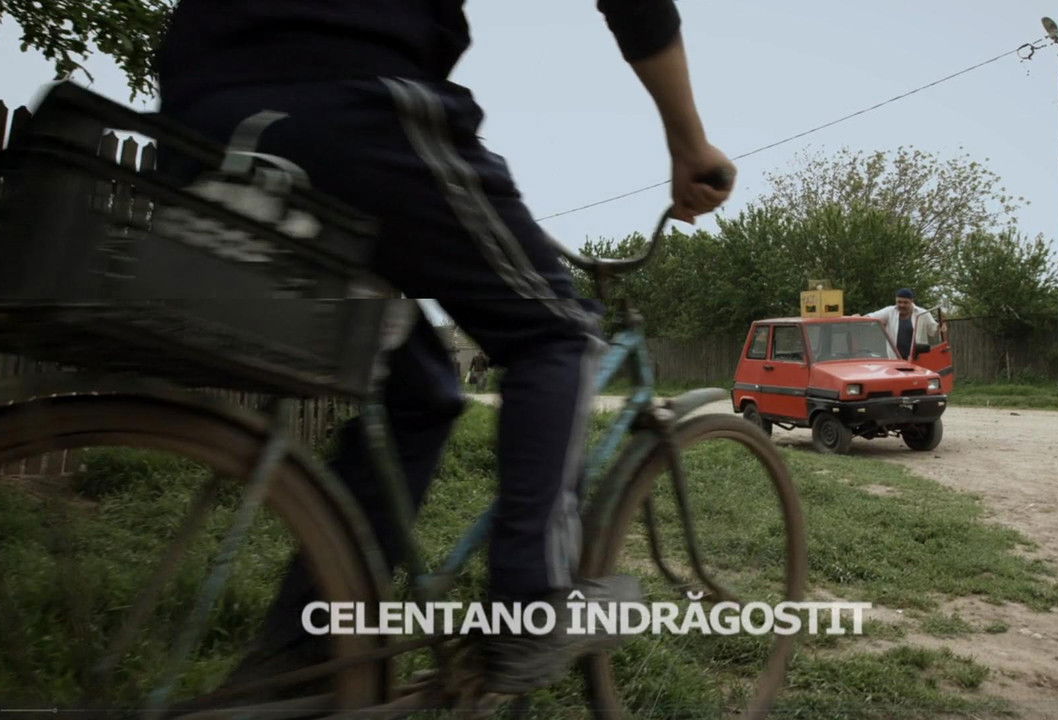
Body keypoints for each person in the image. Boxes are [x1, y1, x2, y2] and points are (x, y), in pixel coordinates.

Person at [154, 0, 736, 699]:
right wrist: (689, 144)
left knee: (421, 391)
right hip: (349, 106)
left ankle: (306, 660)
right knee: (558, 333)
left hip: (197, 132)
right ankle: (531, 608)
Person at [863, 289, 943, 361]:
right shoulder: (890, 311)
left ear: (911, 301)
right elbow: (871, 317)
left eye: (905, 302)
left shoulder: (923, 313)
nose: (902, 305)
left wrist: (941, 327)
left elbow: (933, 331)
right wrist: (860, 317)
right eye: (899, 302)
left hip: (917, 359)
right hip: (895, 360)